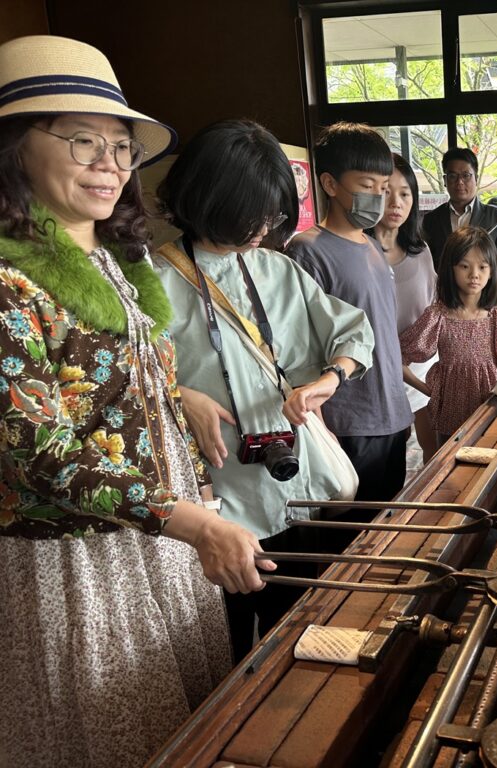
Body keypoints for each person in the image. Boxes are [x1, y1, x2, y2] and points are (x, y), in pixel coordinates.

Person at [0, 36, 269, 768]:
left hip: (164, 535)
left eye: (122, 148)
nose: (110, 165)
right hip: (79, 560)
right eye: (83, 141)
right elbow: (34, 452)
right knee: (111, 733)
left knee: (185, 725)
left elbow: (104, 383)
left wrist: (180, 400)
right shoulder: (7, 280)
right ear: (14, 148)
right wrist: (186, 520)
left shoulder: (118, 259)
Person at [153, 119, 374, 661]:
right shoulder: (150, 279)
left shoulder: (277, 268)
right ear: (211, 198)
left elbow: (350, 329)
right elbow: (122, 392)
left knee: (305, 635)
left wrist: (330, 378)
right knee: (226, 651)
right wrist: (179, 398)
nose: (265, 227)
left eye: (273, 215)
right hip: (217, 510)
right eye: (254, 214)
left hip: (297, 490)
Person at [288, 122, 413, 502]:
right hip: (349, 423)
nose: (378, 197)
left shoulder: (372, 245)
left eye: (383, 186)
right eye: (366, 186)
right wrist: (320, 429)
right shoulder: (307, 251)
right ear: (329, 184)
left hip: (392, 413)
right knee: (352, 543)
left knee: (385, 528)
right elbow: (300, 349)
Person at [400, 226, 497, 444]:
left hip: (491, 413)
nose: (474, 275)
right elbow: (397, 358)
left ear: (492, 271)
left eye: (483, 267)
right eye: (464, 266)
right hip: (450, 417)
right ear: (450, 269)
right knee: (450, 470)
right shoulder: (438, 316)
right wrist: (427, 390)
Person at [371, 153, 439, 460]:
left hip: (422, 364)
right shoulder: (359, 251)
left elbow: (433, 306)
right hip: (376, 368)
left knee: (433, 449)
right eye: (386, 193)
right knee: (389, 456)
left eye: (404, 194)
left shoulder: (420, 250)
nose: (396, 203)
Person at [421, 147, 497, 270]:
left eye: (466, 175)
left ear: (476, 178)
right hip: (444, 289)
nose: (460, 182)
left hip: (485, 288)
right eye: (453, 176)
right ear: (445, 180)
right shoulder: (431, 220)